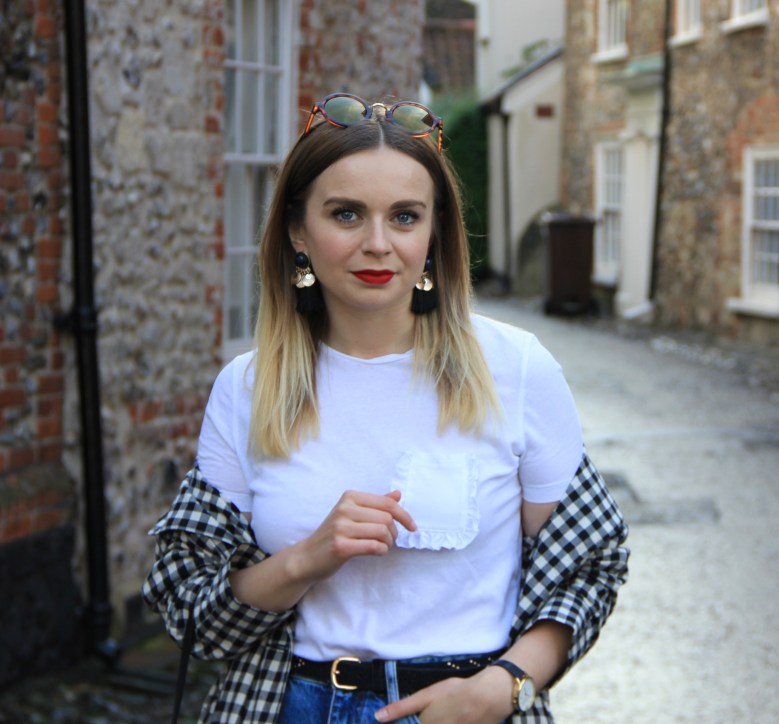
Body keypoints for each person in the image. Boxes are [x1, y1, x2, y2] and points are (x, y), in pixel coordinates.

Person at [142, 92, 629, 724]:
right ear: (297, 231)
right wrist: (302, 561)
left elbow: (589, 564)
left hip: (464, 707)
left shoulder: (514, 368)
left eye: (404, 217)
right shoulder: (248, 388)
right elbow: (191, 609)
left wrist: (504, 685)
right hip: (296, 704)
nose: (378, 244)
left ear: (434, 233)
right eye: (346, 214)